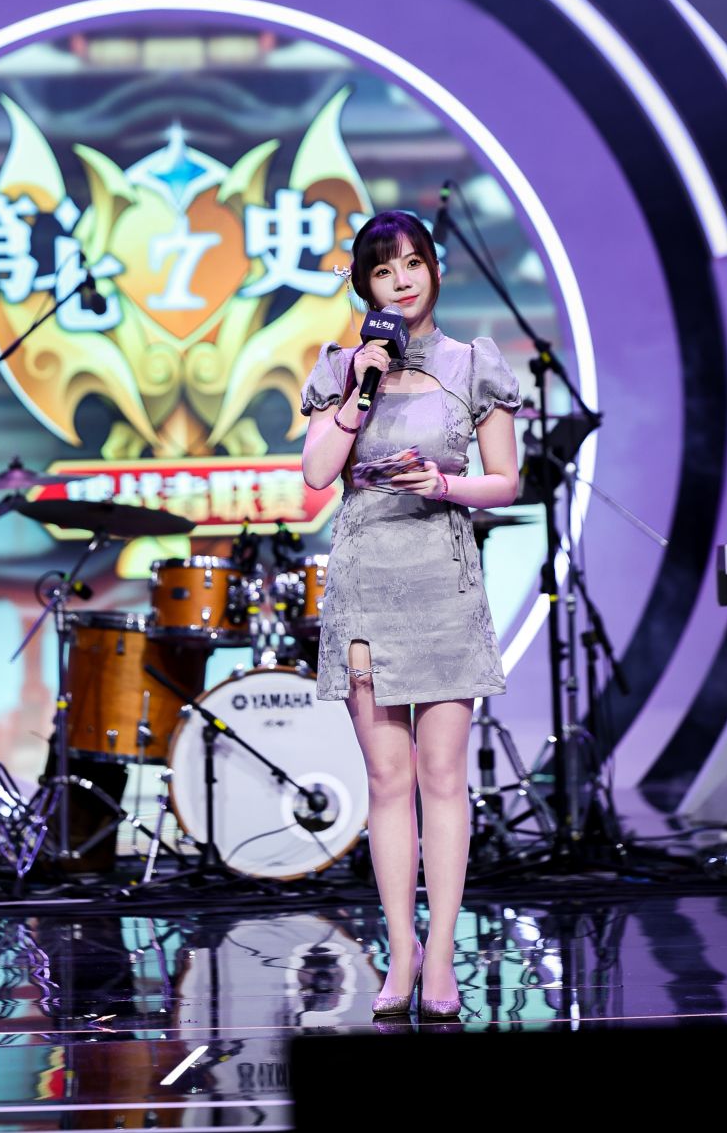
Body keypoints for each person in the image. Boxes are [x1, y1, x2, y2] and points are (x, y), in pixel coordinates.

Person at [300, 210, 521, 1020]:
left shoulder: (474, 364)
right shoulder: (341, 368)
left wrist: (444, 484)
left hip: (442, 581)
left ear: (434, 270)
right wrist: (358, 390)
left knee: (442, 779)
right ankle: (400, 952)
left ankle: (442, 957)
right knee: (388, 781)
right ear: (365, 286)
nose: (402, 280)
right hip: (367, 584)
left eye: (414, 263)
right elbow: (318, 472)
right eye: (384, 269)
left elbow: (507, 479)